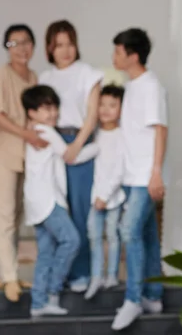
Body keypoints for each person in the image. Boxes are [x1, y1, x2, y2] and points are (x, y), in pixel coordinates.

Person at [0, 24, 46, 302]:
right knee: (4, 215)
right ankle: (8, 277)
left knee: (16, 216)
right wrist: (26, 133)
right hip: (1, 150)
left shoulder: (34, 77)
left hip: (24, 154)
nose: (21, 48)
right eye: (14, 43)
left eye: (26, 41)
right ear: (7, 48)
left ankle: (11, 273)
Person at [21, 84, 99, 316]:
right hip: (48, 201)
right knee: (71, 241)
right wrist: (98, 146)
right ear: (32, 112)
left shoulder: (34, 131)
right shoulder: (45, 132)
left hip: (35, 202)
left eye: (54, 107)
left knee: (45, 252)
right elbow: (70, 156)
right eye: (46, 108)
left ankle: (39, 303)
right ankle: (53, 291)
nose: (53, 113)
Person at [39, 20, 104, 292]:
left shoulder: (88, 73)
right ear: (50, 48)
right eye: (59, 45)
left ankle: (80, 273)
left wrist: (77, 144)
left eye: (70, 43)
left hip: (78, 141)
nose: (65, 50)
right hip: (51, 145)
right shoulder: (45, 78)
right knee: (56, 209)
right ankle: (58, 274)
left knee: (79, 211)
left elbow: (92, 115)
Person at [110, 28, 167, 331]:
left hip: (146, 176)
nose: (114, 57)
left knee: (128, 231)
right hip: (132, 176)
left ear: (132, 55)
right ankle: (153, 297)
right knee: (145, 235)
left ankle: (133, 298)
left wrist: (156, 172)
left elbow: (160, 129)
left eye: (117, 52)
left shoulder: (150, 86)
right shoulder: (130, 86)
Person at [84, 84, 126, 300]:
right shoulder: (95, 134)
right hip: (95, 196)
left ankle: (111, 276)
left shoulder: (122, 135)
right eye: (102, 104)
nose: (106, 109)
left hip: (113, 197)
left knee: (112, 235)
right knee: (94, 236)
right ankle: (96, 276)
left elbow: (119, 171)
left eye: (112, 105)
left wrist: (105, 196)